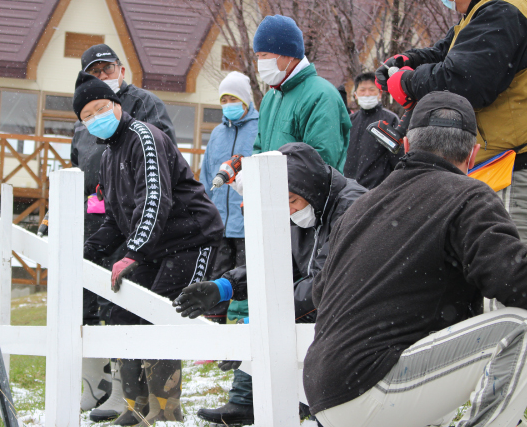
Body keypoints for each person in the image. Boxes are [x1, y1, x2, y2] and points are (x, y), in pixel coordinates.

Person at [304, 91, 527, 427]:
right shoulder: (468, 195)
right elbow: (513, 280)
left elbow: (321, 293)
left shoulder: (360, 207)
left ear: (406, 145)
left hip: (325, 390)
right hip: (377, 386)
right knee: (519, 329)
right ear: (473, 154)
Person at [175, 143, 367, 425]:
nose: (289, 210)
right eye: (283, 203)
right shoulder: (305, 206)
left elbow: (328, 284)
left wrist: (264, 320)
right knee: (269, 320)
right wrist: (224, 286)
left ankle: (312, 405)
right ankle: (247, 399)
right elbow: (276, 265)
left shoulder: (351, 210)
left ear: (309, 187)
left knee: (277, 327)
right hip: (328, 302)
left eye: (291, 201)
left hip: (359, 310)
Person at [74, 71, 224, 426]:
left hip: (192, 238)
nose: (96, 118)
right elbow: (115, 219)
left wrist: (133, 252)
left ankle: (165, 409)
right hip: (156, 247)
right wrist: (85, 253)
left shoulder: (144, 136)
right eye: (87, 116)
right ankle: (137, 404)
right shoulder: (108, 158)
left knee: (160, 315)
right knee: (122, 312)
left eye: (101, 108)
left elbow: (155, 199)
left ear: (116, 105)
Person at [376, 0, 527, 236]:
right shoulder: (494, 0)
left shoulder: (503, 11)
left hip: (513, 171)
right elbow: (451, 51)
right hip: (497, 168)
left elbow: (463, 79)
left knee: (508, 270)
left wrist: (407, 83)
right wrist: (409, 61)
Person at [69, 43, 178, 415]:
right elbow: (77, 165)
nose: (103, 77)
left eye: (107, 69)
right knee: (85, 302)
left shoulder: (144, 104)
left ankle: (130, 393)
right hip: (94, 219)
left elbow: (159, 157)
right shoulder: (83, 117)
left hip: (132, 217)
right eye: (94, 72)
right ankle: (93, 385)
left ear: (122, 69)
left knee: (126, 300)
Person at [252, 15, 351, 170]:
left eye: (264, 55)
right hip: (274, 192)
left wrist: (279, 177)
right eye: (257, 56)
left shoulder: (322, 96)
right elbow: (260, 148)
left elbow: (321, 162)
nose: (260, 63)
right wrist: (252, 173)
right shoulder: (270, 99)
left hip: (305, 194)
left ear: (288, 54)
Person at [198, 72, 259, 323]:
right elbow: (205, 174)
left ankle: (247, 327)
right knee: (217, 277)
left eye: (232, 98)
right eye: (223, 99)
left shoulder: (261, 128)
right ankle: (215, 328)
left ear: (245, 101)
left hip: (247, 221)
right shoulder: (216, 134)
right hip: (219, 223)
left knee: (248, 278)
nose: (227, 105)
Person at [344, 72, 401, 189]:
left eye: (371, 90)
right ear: (355, 95)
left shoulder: (389, 120)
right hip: (348, 188)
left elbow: (397, 157)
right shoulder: (349, 121)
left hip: (378, 189)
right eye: (362, 90)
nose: (367, 94)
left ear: (380, 93)